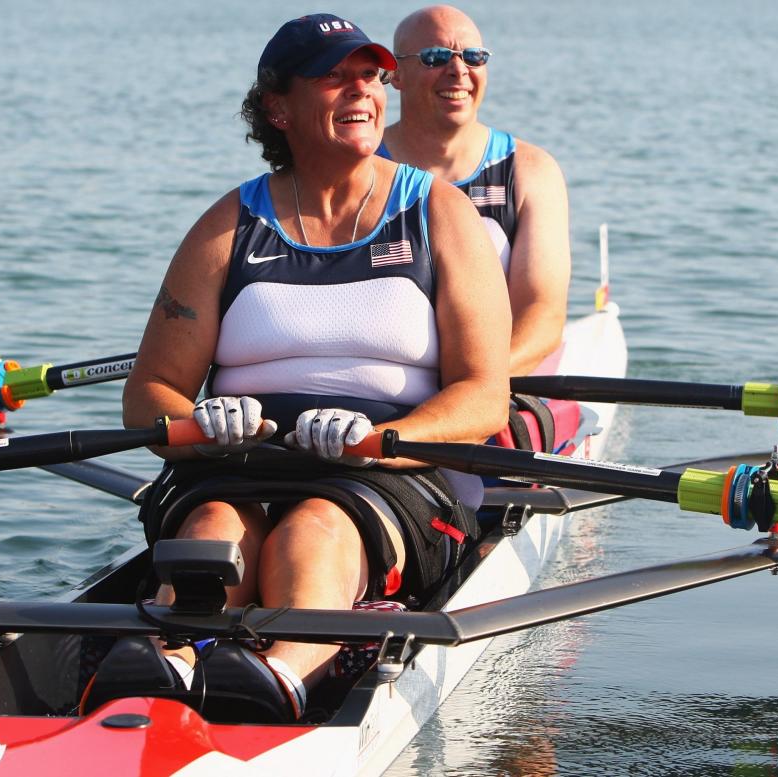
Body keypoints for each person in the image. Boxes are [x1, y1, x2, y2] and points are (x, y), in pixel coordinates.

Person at [92, 13, 511, 723]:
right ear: (278, 108)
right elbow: (147, 396)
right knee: (215, 523)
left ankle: (280, 674)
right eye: (334, 77)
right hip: (235, 461)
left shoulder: (438, 214)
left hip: (386, 473)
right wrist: (195, 422)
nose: (363, 91)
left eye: (371, 76)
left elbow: (483, 396)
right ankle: (173, 659)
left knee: (313, 525)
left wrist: (380, 439)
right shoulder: (228, 225)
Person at [381, 5, 571, 377]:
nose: (458, 71)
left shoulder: (531, 172)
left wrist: (471, 387)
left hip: (494, 380)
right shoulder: (357, 167)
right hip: (383, 383)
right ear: (395, 75)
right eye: (435, 57)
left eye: (474, 57)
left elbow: (542, 316)